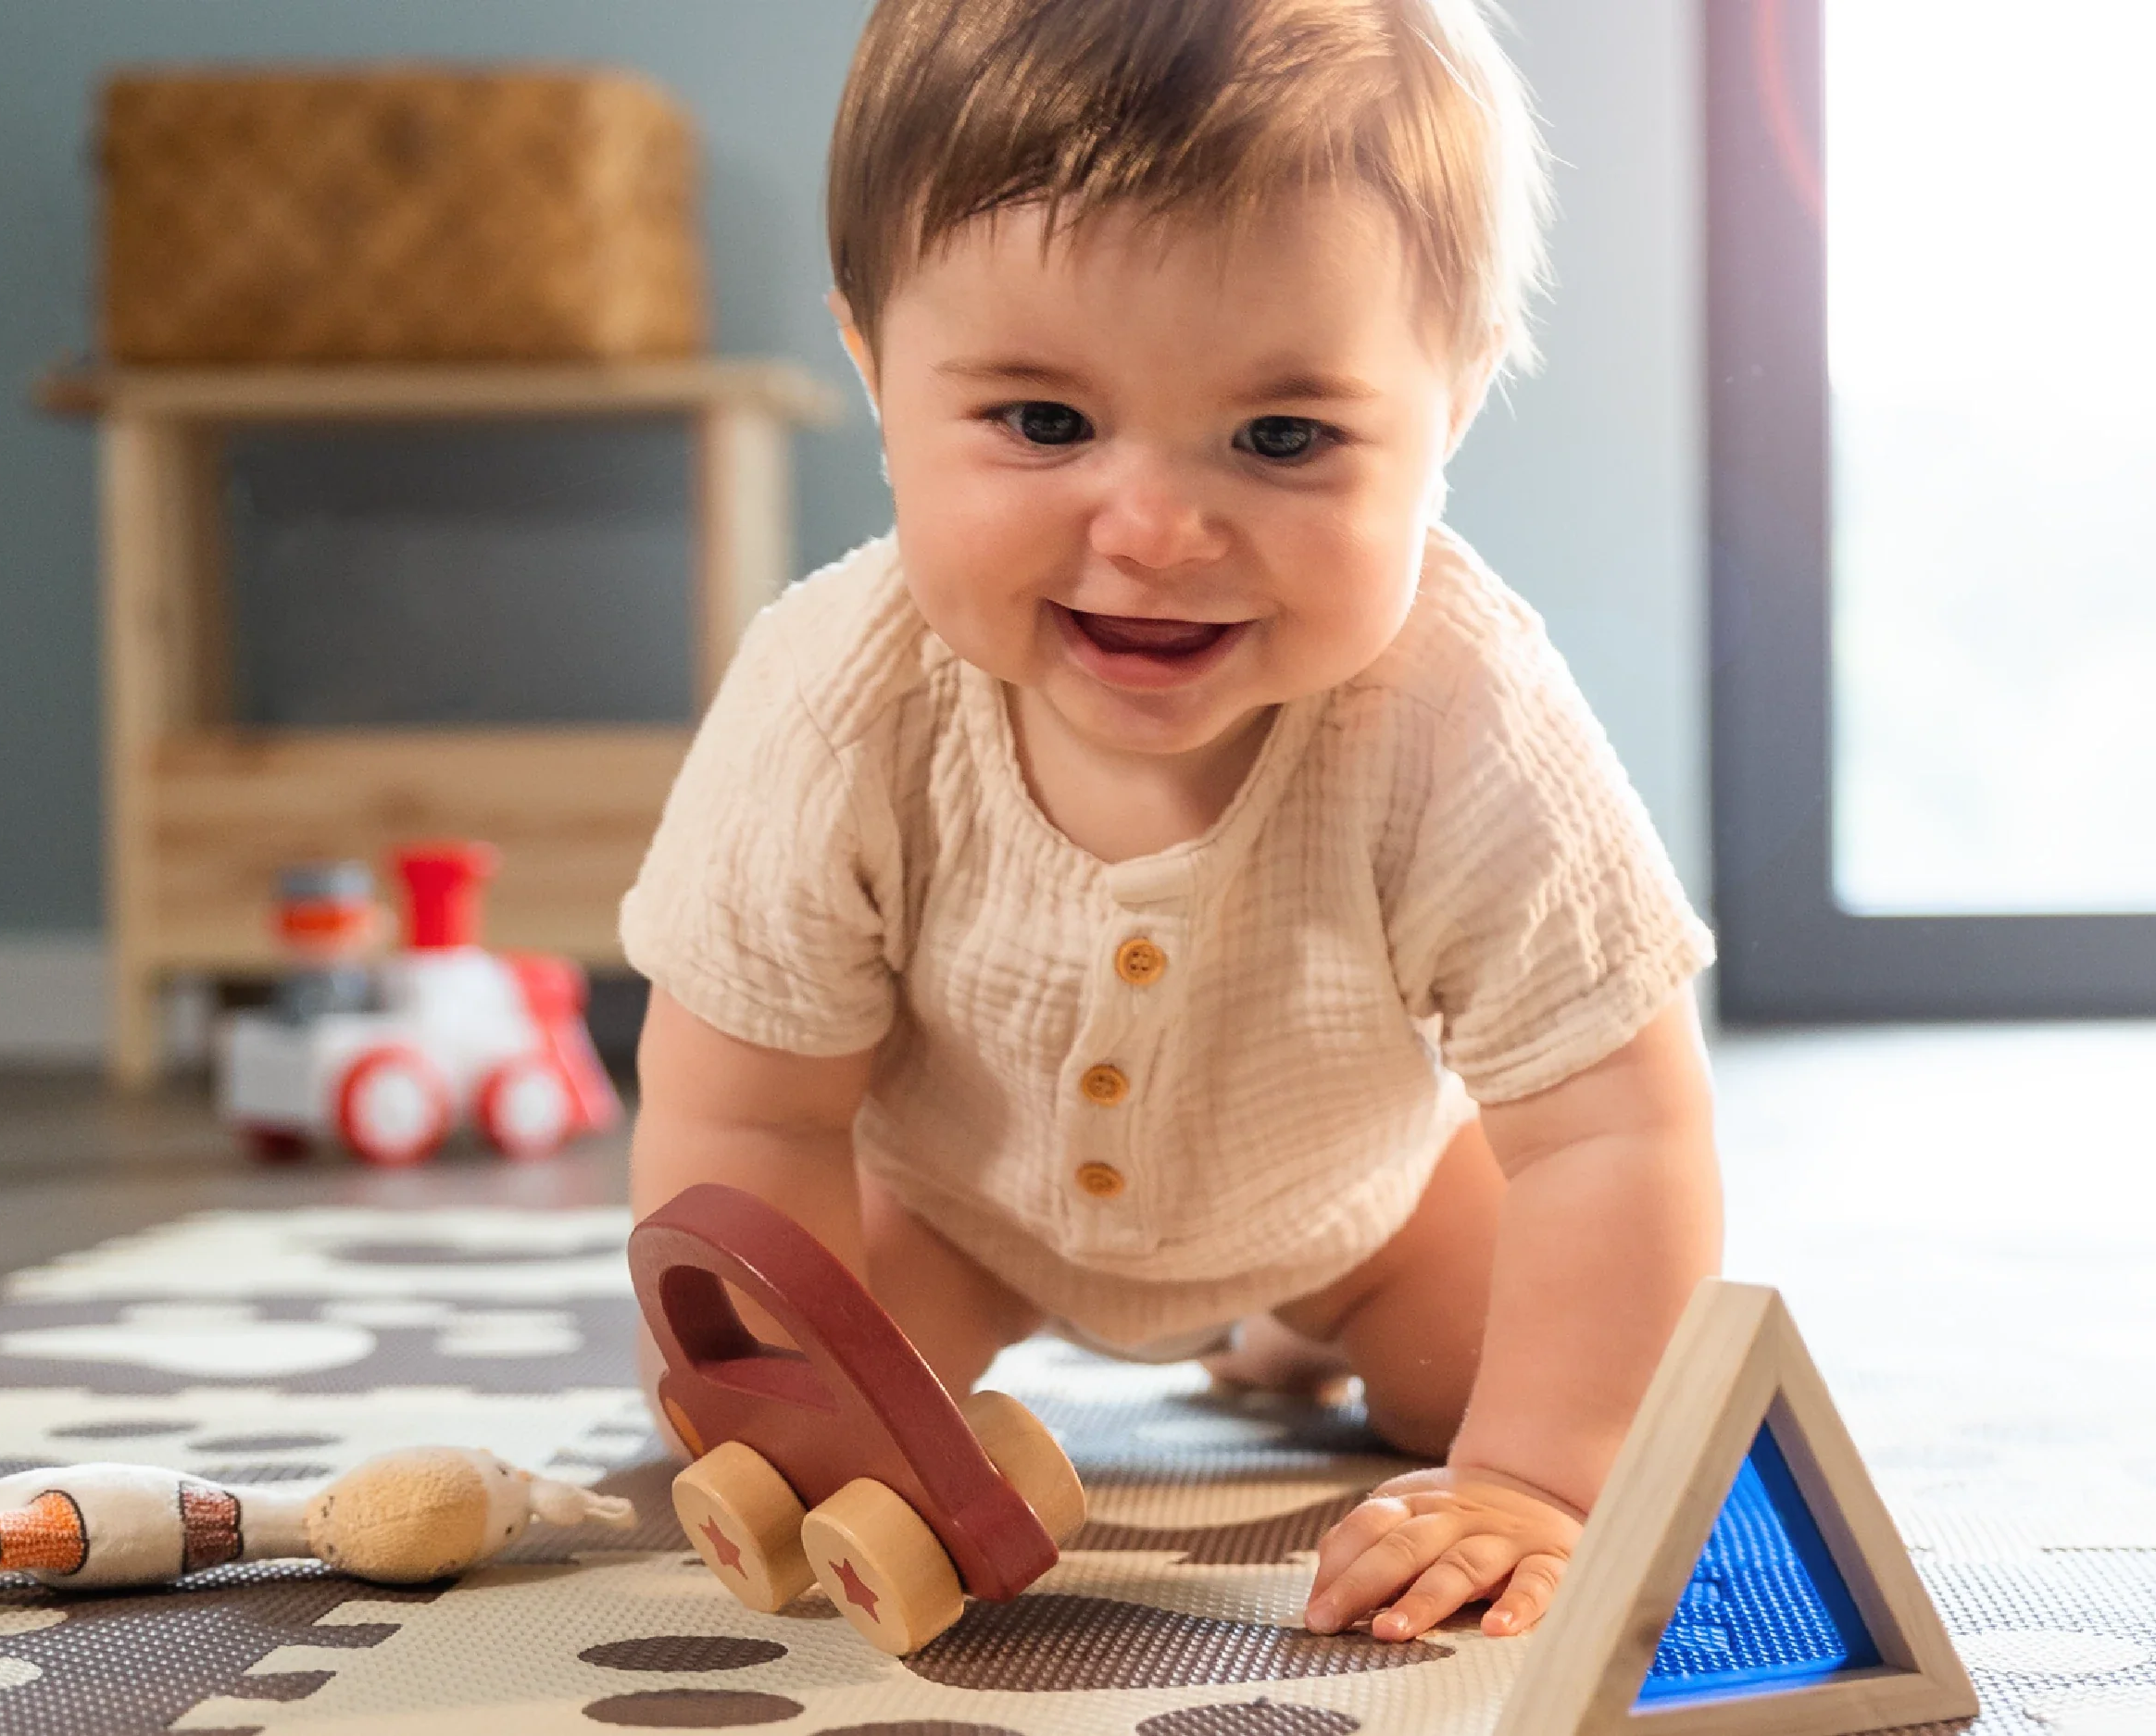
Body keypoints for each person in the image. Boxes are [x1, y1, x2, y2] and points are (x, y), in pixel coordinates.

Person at [620, 0, 1718, 1644]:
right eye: (1043, 423)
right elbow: (750, 1120)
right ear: (874, 367)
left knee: (1511, 1390)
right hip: (949, 1211)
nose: (1152, 531)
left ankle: (1286, 1338)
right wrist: (781, 1388)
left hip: (1358, 1210)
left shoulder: (1453, 711)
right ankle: (1183, 1347)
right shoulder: (835, 695)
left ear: (1452, 407)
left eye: (1283, 437)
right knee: (792, 1425)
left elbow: (1610, 1129)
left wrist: (1544, 1481)